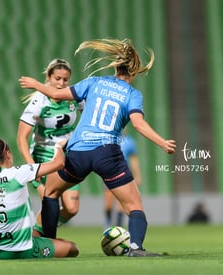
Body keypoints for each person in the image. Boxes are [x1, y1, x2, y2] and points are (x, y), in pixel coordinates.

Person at [19, 38, 176, 257]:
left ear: (114, 67)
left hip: (79, 152)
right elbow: (138, 124)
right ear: (132, 73)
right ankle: (136, 248)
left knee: (51, 192)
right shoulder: (132, 95)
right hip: (107, 153)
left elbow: (55, 94)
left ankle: (51, 244)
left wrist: (35, 84)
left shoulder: (94, 83)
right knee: (134, 206)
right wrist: (162, 142)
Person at [0, 138, 78, 259]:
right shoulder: (17, 173)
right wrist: (58, 146)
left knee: (43, 236)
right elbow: (59, 163)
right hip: (20, 248)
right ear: (7, 154)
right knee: (72, 248)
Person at [17, 59, 83, 231]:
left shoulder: (74, 97)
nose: (61, 83)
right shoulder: (39, 101)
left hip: (67, 158)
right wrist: (32, 167)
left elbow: (90, 112)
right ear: (48, 77)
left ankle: (38, 230)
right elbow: (21, 138)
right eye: (57, 79)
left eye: (65, 79)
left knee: (72, 209)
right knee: (50, 206)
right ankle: (38, 238)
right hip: (44, 159)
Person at [104, 132, 141, 228]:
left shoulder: (130, 141)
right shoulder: (109, 139)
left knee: (122, 202)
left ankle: (119, 226)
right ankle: (108, 223)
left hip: (123, 174)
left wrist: (137, 175)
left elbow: (133, 159)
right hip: (108, 173)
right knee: (108, 204)